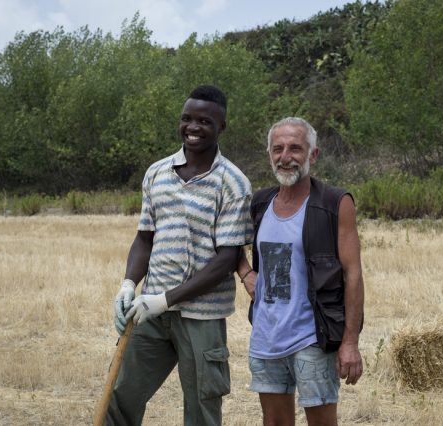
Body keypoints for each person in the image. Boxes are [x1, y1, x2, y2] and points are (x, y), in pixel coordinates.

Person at [107, 85, 253, 425]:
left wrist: (165, 299)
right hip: (150, 314)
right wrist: (129, 285)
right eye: (187, 119)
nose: (193, 127)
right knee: (121, 396)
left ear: (222, 127)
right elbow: (144, 239)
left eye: (205, 121)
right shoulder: (157, 173)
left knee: (202, 407)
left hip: (201, 317)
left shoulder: (233, 183)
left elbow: (226, 260)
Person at [237, 117, 364, 426]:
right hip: (266, 335)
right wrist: (245, 273)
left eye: (295, 148)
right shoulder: (260, 203)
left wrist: (350, 342)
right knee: (275, 422)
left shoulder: (335, 202)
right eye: (278, 149)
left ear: (313, 155)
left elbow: (353, 275)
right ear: (269, 154)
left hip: (313, 336)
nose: (286, 157)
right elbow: (228, 244)